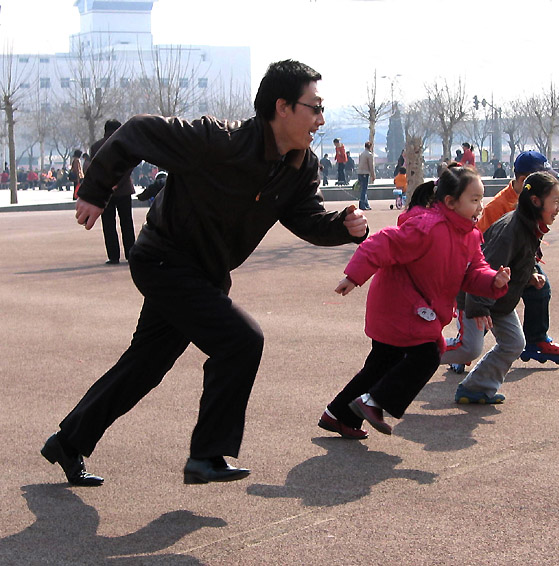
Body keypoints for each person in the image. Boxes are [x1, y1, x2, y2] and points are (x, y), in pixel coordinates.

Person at [40, 59, 369, 487]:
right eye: (315, 107)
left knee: (145, 364)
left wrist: (339, 227)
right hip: (164, 260)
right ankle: (207, 455)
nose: (321, 120)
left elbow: (304, 217)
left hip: (205, 273)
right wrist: (96, 190)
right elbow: (138, 130)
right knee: (241, 340)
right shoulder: (219, 140)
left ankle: (69, 441)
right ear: (282, 106)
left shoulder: (300, 166)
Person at [318, 165, 509, 439]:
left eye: (482, 198)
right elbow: (382, 243)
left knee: (382, 363)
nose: (481, 206)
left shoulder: (470, 235)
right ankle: (375, 402)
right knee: (428, 354)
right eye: (474, 200)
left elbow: (473, 272)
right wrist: (354, 276)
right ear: (450, 202)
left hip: (416, 307)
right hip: (400, 305)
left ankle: (338, 414)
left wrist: (493, 281)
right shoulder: (427, 226)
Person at [443, 171, 559, 404]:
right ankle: (412, 355)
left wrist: (532, 276)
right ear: (536, 202)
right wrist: (479, 308)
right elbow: (483, 268)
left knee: (514, 343)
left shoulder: (530, 227)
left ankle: (476, 388)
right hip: (476, 298)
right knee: (468, 349)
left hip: (500, 300)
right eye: (555, 202)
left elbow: (520, 262)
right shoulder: (512, 230)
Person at [91, 119, 137, 265]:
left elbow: (95, 169)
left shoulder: (96, 146)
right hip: (124, 190)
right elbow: (129, 167)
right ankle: (131, 254)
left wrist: (107, 184)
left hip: (105, 191)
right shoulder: (125, 144)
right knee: (126, 222)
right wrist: (118, 183)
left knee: (108, 224)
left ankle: (113, 256)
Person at [357, 141, 376, 211]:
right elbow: (371, 166)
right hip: (365, 173)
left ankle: (366, 204)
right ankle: (362, 204)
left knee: (363, 189)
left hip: (360, 173)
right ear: (370, 147)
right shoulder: (369, 155)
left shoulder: (361, 154)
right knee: (364, 190)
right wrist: (373, 175)